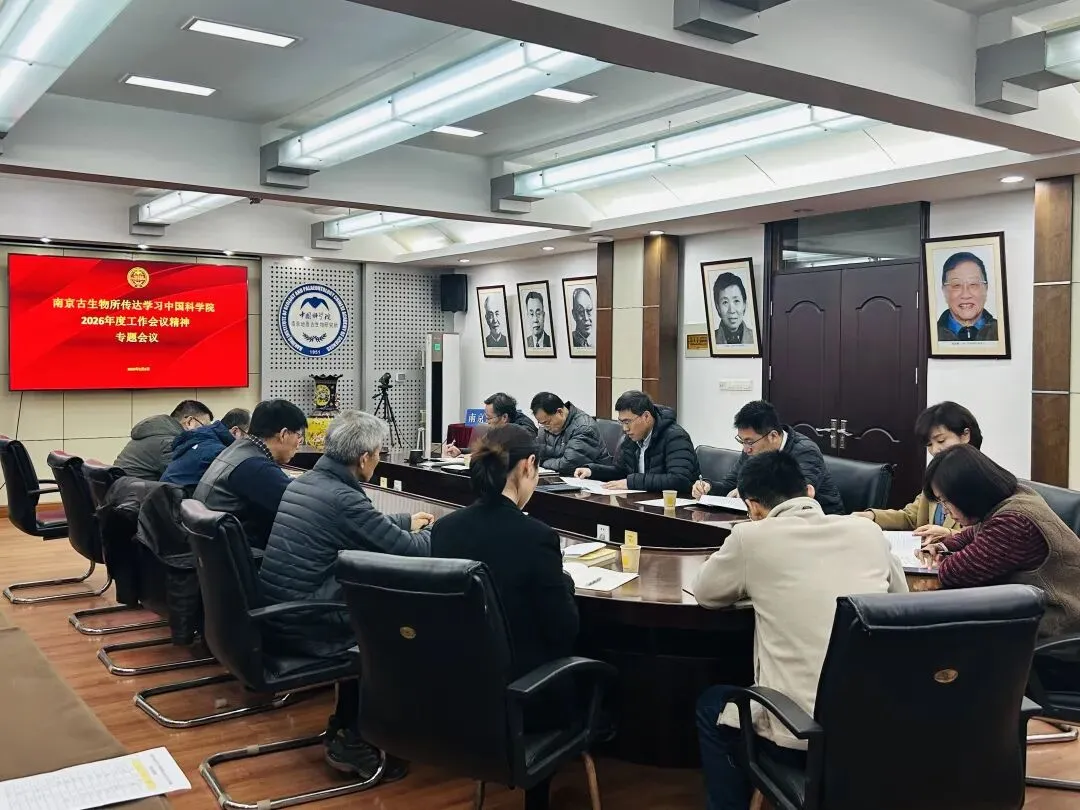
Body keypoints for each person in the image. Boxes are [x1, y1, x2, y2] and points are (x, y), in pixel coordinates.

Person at [694, 452, 907, 810]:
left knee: (711, 705)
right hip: (877, 726)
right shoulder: (868, 531)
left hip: (801, 735)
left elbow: (706, 593)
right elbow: (900, 603)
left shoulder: (751, 537)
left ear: (753, 507)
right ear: (809, 491)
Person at [261, 410, 433, 781]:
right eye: (379, 453)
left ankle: (345, 727)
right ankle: (354, 738)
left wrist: (406, 522)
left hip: (281, 614)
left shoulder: (310, 482)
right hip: (308, 624)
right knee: (394, 633)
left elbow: (363, 527)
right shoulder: (343, 497)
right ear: (364, 457)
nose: (379, 459)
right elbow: (410, 551)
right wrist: (448, 531)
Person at [432, 425, 577, 680]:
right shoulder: (537, 537)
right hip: (523, 680)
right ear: (528, 465)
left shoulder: (444, 529)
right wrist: (564, 582)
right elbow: (564, 630)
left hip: (456, 676)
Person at [918, 444, 1080, 638]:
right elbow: (975, 533)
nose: (945, 511)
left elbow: (954, 573)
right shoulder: (1016, 495)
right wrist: (943, 545)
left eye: (945, 501)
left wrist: (942, 558)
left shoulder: (1013, 523)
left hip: (1058, 622)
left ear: (966, 493)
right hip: (1035, 610)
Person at [693, 400, 845, 515]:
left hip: (821, 522)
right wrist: (708, 487)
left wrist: (748, 491)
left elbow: (795, 497)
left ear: (773, 436)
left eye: (749, 442)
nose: (746, 449)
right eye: (742, 441)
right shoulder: (752, 450)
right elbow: (731, 484)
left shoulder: (805, 451)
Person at [855, 401, 981, 537]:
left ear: (965, 435)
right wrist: (871, 516)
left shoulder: (984, 481)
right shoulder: (937, 476)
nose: (935, 450)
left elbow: (990, 537)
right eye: (929, 444)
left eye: (941, 441)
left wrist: (949, 534)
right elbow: (911, 517)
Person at [193, 399, 306, 549]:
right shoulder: (255, 466)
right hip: (239, 552)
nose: (299, 445)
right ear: (283, 434)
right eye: (299, 437)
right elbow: (300, 507)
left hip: (213, 548)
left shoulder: (237, 449)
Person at [575, 390, 699, 493]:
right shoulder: (631, 439)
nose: (625, 429)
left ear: (646, 417)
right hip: (642, 502)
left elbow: (679, 480)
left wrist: (631, 482)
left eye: (627, 422)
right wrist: (593, 471)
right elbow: (621, 472)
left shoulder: (675, 437)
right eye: (621, 422)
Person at [114, 400, 212, 480]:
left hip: (126, 493)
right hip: (137, 496)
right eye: (205, 427)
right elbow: (187, 477)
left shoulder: (156, 433)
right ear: (189, 422)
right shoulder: (168, 443)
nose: (207, 432)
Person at [160, 408, 251, 492]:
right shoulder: (219, 452)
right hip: (177, 500)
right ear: (235, 431)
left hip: (164, 496)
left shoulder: (199, 438)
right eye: (249, 436)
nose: (251, 441)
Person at [530, 392, 612, 474]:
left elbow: (568, 465)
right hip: (560, 475)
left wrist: (542, 463)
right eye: (541, 423)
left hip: (591, 478)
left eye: (547, 422)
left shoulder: (584, 428)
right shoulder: (548, 426)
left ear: (560, 412)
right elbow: (536, 455)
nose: (545, 427)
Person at [444, 392, 537, 458]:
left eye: (489, 418)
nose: (487, 422)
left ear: (504, 417)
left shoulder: (524, 428)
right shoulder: (498, 425)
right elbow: (485, 446)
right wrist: (460, 451)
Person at [936, 251, 998, 342]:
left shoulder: (1002, 331)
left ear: (986, 288)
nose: (965, 295)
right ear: (944, 291)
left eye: (973, 284)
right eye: (956, 285)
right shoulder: (929, 335)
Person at [712, 272, 754, 346]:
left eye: (736, 301)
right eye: (725, 302)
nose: (732, 310)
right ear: (718, 308)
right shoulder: (710, 340)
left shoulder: (755, 338)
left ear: (744, 305)